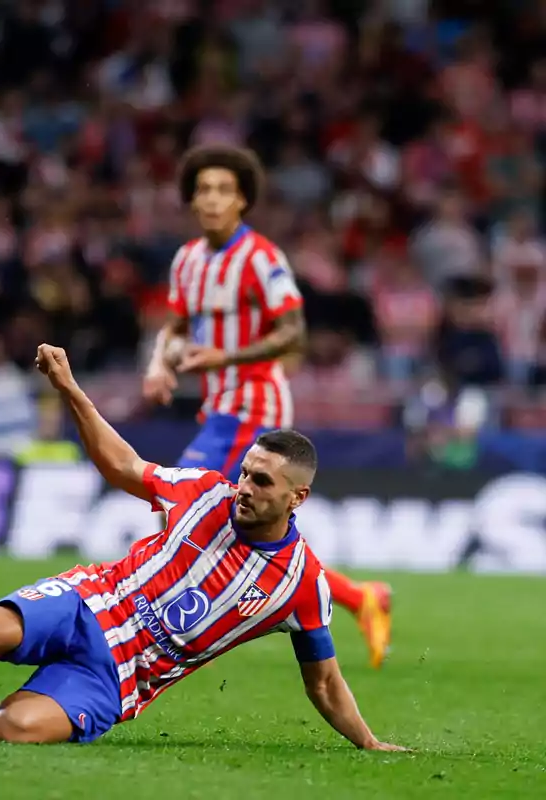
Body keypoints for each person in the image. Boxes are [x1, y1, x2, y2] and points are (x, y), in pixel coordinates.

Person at [0, 343, 406, 750]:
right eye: (244, 471)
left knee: (20, 730)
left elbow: (323, 684)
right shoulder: (202, 492)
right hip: (91, 601)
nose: (243, 487)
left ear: (297, 499)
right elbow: (124, 465)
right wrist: (72, 390)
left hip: (121, 675)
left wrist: (371, 745)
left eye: (261, 482)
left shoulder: (303, 586)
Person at [143, 145, 393, 669]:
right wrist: (158, 365)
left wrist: (227, 354)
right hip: (218, 405)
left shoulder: (261, 258)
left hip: (254, 403)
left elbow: (293, 332)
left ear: (243, 201)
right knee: (196, 510)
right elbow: (175, 325)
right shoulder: (187, 260)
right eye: (204, 189)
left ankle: (151, 620)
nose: (212, 200)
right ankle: (357, 597)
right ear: (191, 198)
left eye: (224, 190)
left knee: (178, 501)